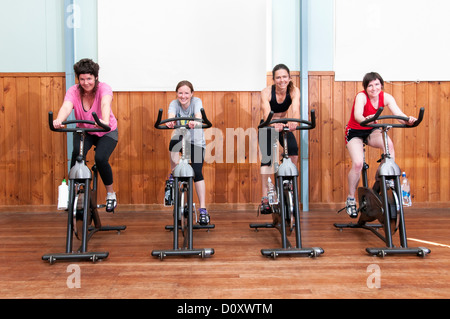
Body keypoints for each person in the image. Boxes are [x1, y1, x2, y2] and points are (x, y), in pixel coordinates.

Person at [344, 72, 417, 217]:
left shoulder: (387, 97)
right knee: (358, 163)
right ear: (366, 88)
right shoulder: (361, 96)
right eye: (370, 85)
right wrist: (366, 119)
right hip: (355, 131)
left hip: (372, 130)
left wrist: (408, 120)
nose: (374, 88)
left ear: (381, 85)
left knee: (388, 145)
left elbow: (399, 116)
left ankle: (384, 177)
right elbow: (358, 115)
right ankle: (351, 199)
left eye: (377, 84)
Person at [53, 58, 118, 212]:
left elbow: (105, 104)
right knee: (77, 154)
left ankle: (110, 194)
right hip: (85, 131)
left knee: (100, 158)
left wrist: (104, 121)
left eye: (89, 78)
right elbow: (66, 106)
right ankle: (72, 192)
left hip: (106, 130)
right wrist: (59, 119)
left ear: (96, 77)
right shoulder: (74, 91)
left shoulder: (104, 88)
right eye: (82, 79)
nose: (86, 82)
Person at [165, 80, 210, 225]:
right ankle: (173, 172)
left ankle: (203, 209)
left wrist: (196, 122)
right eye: (180, 93)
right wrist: (170, 122)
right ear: (177, 94)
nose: (183, 96)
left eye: (186, 93)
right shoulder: (174, 103)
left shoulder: (196, 101)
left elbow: (199, 115)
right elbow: (171, 115)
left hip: (196, 142)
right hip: (181, 138)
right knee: (173, 143)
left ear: (191, 94)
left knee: (197, 173)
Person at [258, 64, 301, 214]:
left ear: (289, 78)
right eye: (278, 77)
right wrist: (272, 123)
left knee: (294, 152)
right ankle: (264, 197)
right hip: (267, 125)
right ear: (274, 79)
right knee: (267, 160)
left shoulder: (294, 91)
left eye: (284, 77)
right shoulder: (266, 92)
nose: (281, 80)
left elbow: (295, 110)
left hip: (284, 125)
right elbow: (266, 113)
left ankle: (288, 183)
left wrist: (294, 121)